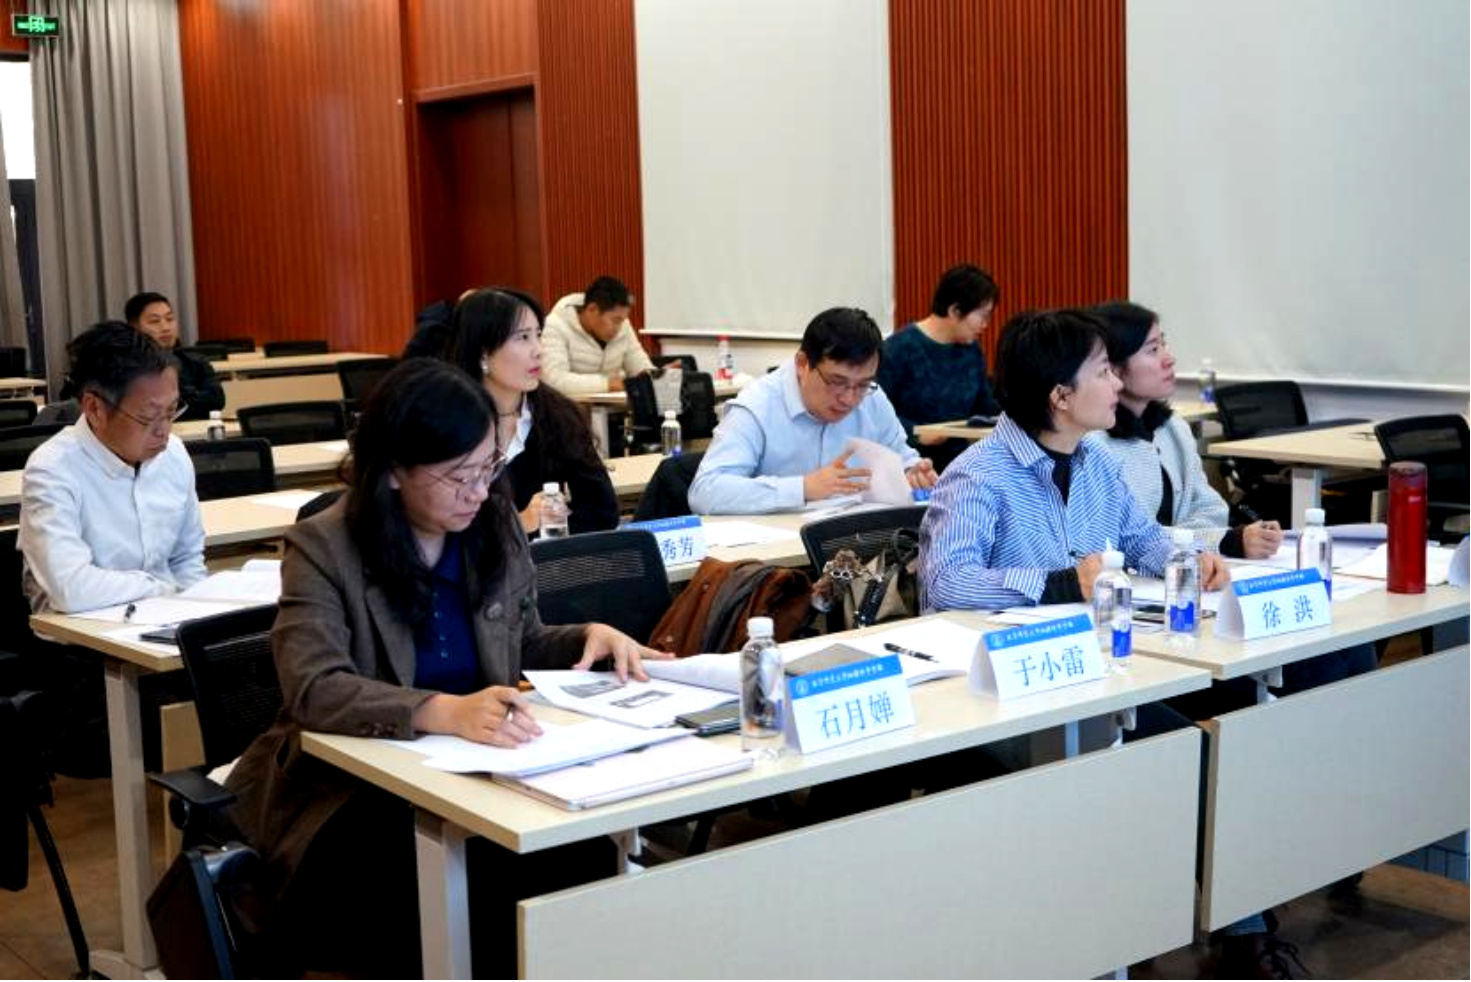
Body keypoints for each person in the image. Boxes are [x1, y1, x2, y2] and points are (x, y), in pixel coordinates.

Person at [225, 359, 664, 975]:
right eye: (458, 475)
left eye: (488, 467)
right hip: (355, 793)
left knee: (580, 851)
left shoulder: (494, 523)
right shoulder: (324, 548)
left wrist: (587, 638)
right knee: (454, 878)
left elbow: (522, 642)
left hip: (482, 771)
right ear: (394, 469)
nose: (478, 491)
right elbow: (314, 689)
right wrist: (443, 712)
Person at [919, 308, 1229, 611]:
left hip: (1086, 633)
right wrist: (1064, 584)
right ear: (1061, 396)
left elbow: (1142, 539)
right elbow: (948, 582)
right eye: (1104, 372)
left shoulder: (1098, 461)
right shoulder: (976, 475)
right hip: (996, 642)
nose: (1117, 384)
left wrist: (1188, 560)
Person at [19, 321, 204, 775]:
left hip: (163, 635)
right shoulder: (53, 469)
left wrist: (189, 609)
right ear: (95, 408)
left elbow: (188, 561)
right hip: (81, 657)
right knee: (189, 717)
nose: (164, 431)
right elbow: (72, 590)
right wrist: (159, 588)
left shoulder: (174, 456)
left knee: (253, 687)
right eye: (149, 418)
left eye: (172, 411)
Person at [688, 307, 938, 515]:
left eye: (862, 384)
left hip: (854, 540)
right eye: (837, 382)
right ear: (802, 364)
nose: (850, 398)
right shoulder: (757, 406)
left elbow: (903, 459)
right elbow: (705, 492)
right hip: (777, 552)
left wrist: (913, 474)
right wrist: (803, 488)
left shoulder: (873, 399)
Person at [1092, 300, 1283, 559]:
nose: (1169, 359)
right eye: (1153, 349)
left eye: (1164, 344)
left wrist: (1195, 543)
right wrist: (1221, 542)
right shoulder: (1093, 444)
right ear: (1113, 367)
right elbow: (1125, 536)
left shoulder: (1173, 428)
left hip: (1184, 567)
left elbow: (1211, 509)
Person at [444, 287, 618, 534]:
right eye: (523, 338)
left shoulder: (558, 415)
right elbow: (437, 527)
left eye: (538, 335)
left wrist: (550, 531)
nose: (538, 350)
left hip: (548, 557)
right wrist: (519, 523)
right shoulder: (447, 421)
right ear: (483, 351)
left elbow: (602, 511)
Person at [877, 263, 1002, 472]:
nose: (986, 324)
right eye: (983, 315)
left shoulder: (971, 350)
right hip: (909, 464)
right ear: (955, 311)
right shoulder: (898, 349)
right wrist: (916, 433)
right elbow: (876, 413)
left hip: (960, 464)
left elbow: (984, 406)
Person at [541, 275, 654, 394]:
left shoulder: (623, 325)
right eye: (615, 320)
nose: (619, 327)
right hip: (571, 404)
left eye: (622, 320)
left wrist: (656, 377)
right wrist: (608, 384)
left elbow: (640, 367)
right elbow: (554, 380)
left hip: (616, 404)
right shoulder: (555, 325)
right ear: (592, 309)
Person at [124, 291, 226, 420]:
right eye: (154, 321)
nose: (165, 327)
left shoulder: (196, 362)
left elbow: (216, 400)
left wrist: (171, 403)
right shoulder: (127, 368)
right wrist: (192, 396)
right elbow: (144, 408)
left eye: (170, 319)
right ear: (134, 328)